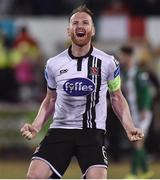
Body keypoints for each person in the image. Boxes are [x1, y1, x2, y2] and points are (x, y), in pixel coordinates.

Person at [20, 5, 144, 179]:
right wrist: (36, 125)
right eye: (75, 23)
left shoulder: (108, 63)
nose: (80, 26)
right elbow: (50, 99)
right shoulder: (53, 64)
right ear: (68, 30)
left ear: (92, 30)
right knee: (34, 176)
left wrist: (129, 126)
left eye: (85, 22)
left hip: (92, 131)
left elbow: (116, 97)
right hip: (60, 129)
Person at [118, 45, 154, 179]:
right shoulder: (125, 74)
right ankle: (145, 171)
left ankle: (133, 173)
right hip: (133, 113)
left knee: (137, 141)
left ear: (129, 57)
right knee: (136, 142)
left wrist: (145, 107)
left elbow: (147, 92)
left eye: (122, 56)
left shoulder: (139, 74)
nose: (121, 59)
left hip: (142, 113)